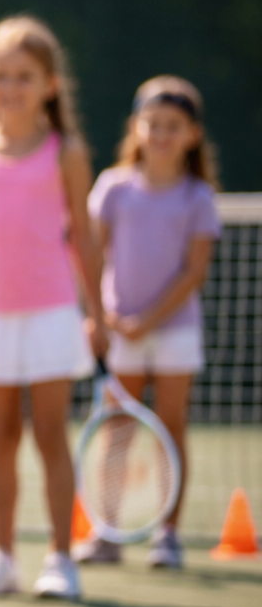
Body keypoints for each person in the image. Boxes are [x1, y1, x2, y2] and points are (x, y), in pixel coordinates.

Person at [0, 16, 106, 602]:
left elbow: (85, 238)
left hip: (54, 314)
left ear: (49, 85)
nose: (10, 86)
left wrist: (99, 313)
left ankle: (62, 559)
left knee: (50, 438)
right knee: (1, 439)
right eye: (1, 74)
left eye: (24, 76)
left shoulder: (68, 153)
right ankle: (4, 558)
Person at [75, 76, 222, 569]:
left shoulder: (198, 196)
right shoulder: (114, 187)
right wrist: (102, 315)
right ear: (136, 128)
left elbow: (194, 273)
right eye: (153, 124)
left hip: (175, 332)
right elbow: (91, 254)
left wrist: (148, 320)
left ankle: (169, 535)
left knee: (171, 427)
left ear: (192, 135)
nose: (161, 134)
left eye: (173, 126)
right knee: (117, 430)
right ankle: (108, 533)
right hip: (120, 332)